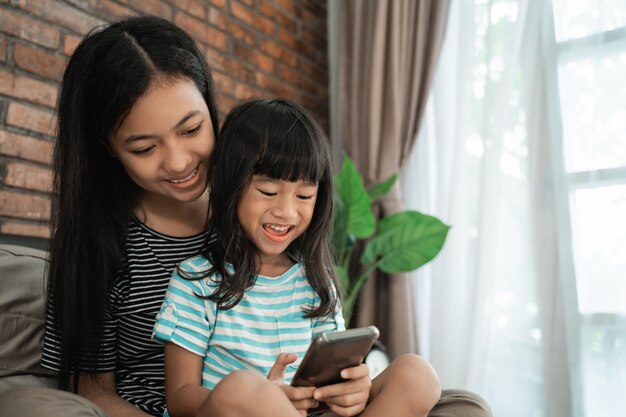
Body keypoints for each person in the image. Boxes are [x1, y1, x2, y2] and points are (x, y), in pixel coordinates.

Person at [152, 98, 442, 417]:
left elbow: (333, 380)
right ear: (230, 184)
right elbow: (180, 397)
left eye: (304, 196)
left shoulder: (316, 281)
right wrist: (264, 397)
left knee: (417, 374)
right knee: (242, 388)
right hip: (238, 411)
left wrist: (353, 390)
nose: (287, 211)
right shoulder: (197, 279)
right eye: (268, 192)